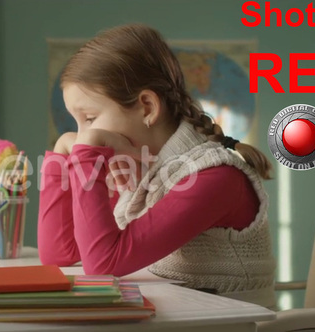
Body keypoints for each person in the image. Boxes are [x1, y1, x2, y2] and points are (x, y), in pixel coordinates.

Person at [38, 23, 277, 309]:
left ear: (148, 107)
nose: (83, 135)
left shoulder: (214, 176)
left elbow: (102, 264)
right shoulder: (138, 172)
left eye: (89, 118)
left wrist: (87, 151)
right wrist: (62, 151)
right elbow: (59, 254)